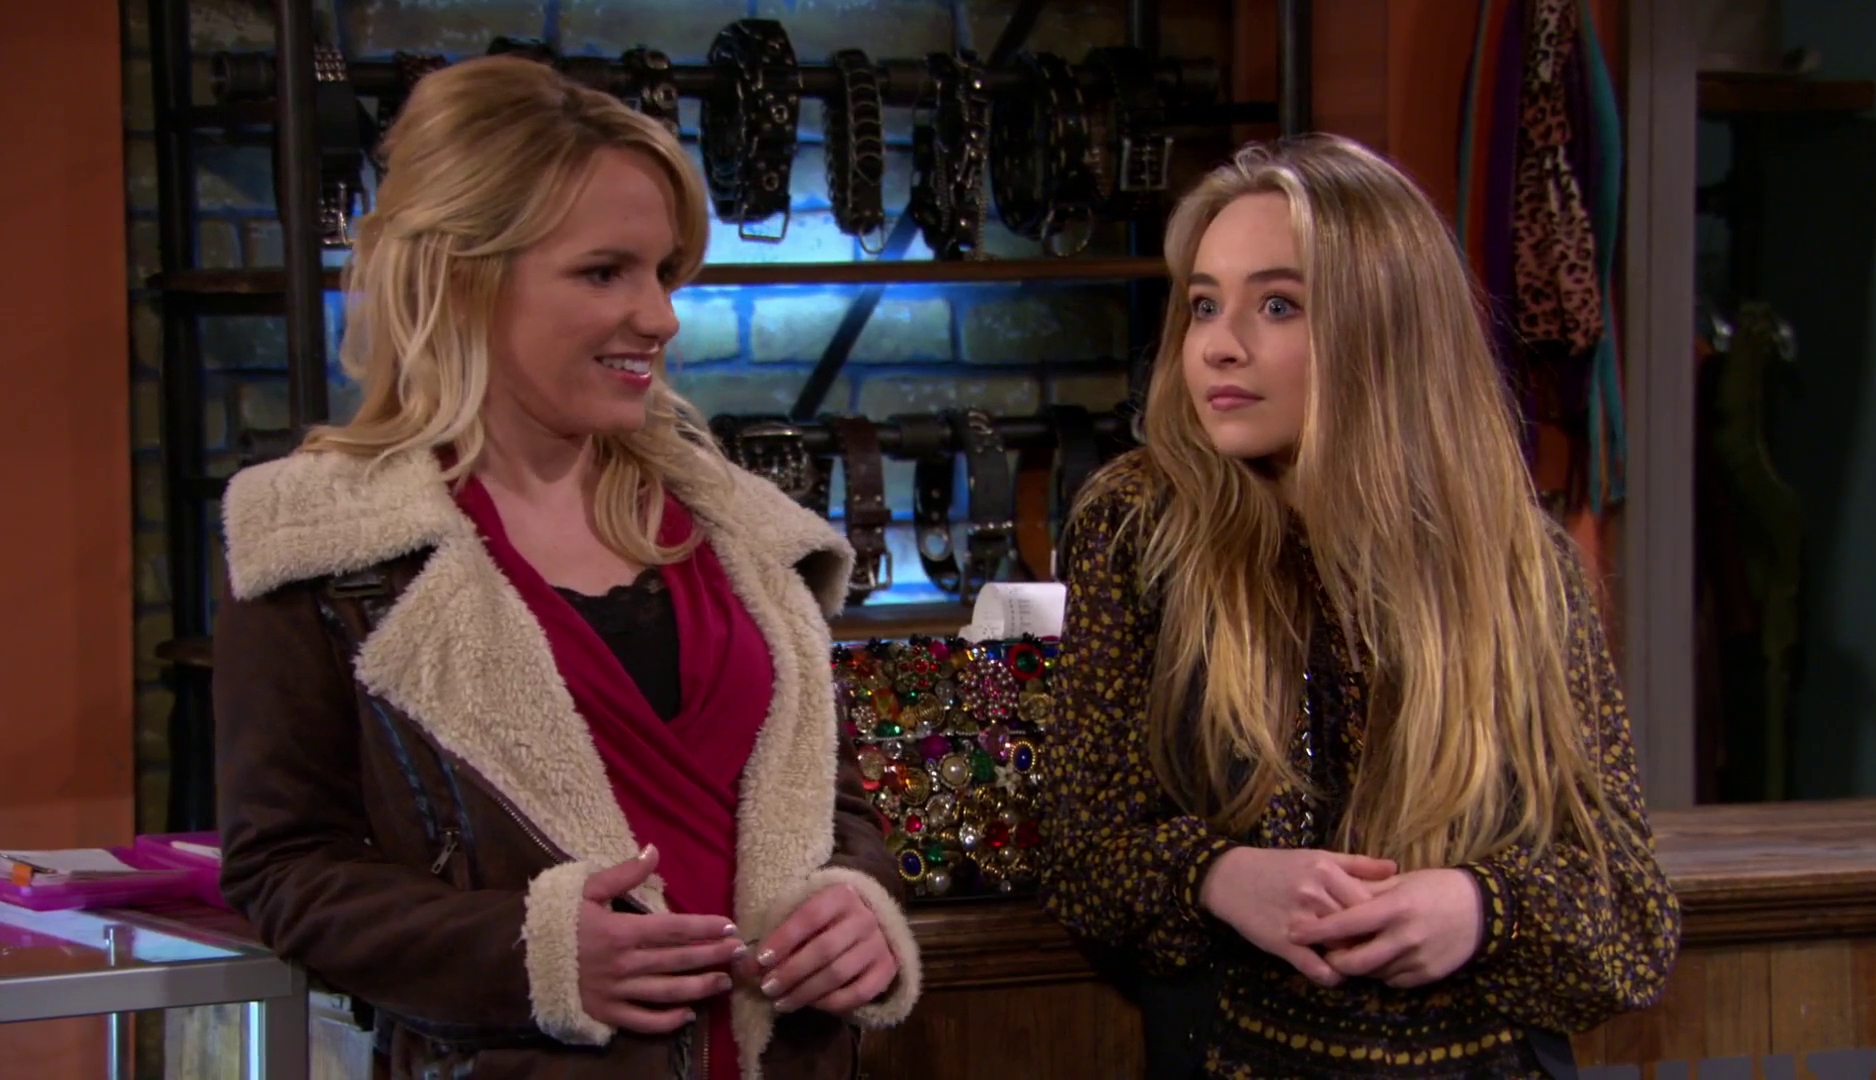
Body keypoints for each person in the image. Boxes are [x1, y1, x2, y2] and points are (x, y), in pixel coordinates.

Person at [213, 56, 919, 1080]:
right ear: (463, 276)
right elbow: (286, 869)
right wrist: (529, 955)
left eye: (663, 272)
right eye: (604, 272)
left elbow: (834, 805)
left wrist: (855, 901)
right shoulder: (318, 547)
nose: (661, 316)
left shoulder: (744, 534)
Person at [1040, 135, 1679, 1080]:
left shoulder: (1518, 563)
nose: (1218, 343)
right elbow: (1077, 851)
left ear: (1384, 326)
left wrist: (1481, 908)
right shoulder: (1140, 527)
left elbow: (1632, 916)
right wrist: (1218, 876)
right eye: (1205, 304)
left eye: (1278, 305)